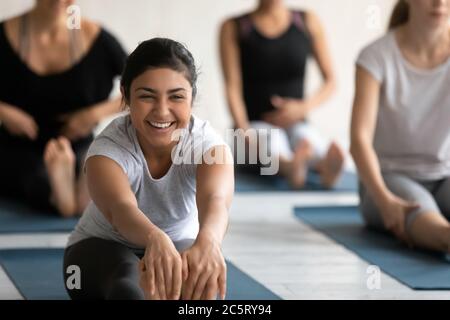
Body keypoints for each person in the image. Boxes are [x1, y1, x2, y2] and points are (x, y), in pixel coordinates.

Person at [63, 38, 234, 300]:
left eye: (176, 96)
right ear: (126, 96)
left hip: (176, 246)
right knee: (130, 288)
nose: (162, 111)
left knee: (204, 288)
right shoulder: (106, 151)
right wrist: (155, 237)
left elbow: (216, 200)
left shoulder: (209, 146)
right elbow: (121, 210)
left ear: (192, 98)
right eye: (147, 96)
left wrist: (209, 242)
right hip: (100, 249)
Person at [0, 0, 126, 217]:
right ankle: (62, 198)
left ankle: (76, 194)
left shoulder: (97, 39)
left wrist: (92, 114)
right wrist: (4, 111)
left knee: (98, 169)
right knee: (34, 175)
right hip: (17, 148)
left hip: (76, 145)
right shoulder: (4, 33)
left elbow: (143, 88)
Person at [350, 0, 450, 252]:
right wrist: (384, 200)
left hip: (444, 176)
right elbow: (359, 140)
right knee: (437, 229)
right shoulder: (375, 56)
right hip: (387, 180)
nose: (439, 3)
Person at [219, 0, 344, 188]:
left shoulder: (306, 21)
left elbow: (331, 81)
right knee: (272, 141)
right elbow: (232, 87)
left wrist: (303, 108)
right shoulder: (234, 27)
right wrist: (242, 130)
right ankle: (290, 167)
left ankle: (324, 167)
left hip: (296, 123)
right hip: (252, 125)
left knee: (306, 137)